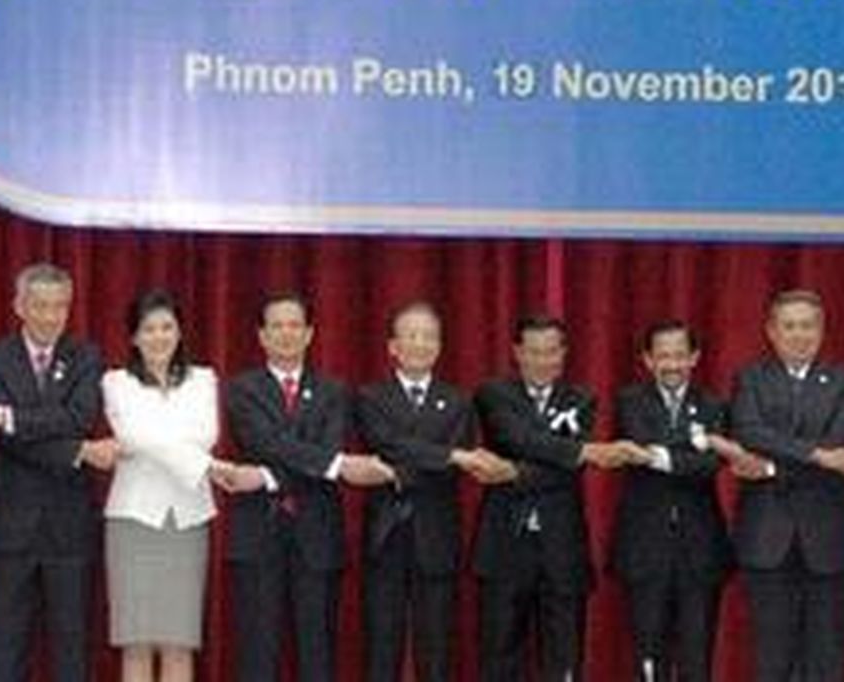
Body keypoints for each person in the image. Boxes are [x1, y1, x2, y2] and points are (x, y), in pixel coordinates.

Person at [224, 291, 397, 682]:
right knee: (257, 654)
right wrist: (335, 466)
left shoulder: (334, 391)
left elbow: (320, 447)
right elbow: (262, 442)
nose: (286, 333)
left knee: (317, 654)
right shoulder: (241, 388)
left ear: (310, 334)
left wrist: (268, 475)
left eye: (295, 325)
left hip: (317, 538)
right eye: (277, 326)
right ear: (261, 336)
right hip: (257, 538)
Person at [473, 313, 649, 682]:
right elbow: (515, 438)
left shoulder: (581, 398)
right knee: (499, 657)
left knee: (564, 658)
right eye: (534, 352)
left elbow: (561, 468)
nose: (543, 361)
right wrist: (583, 451)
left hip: (562, 548)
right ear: (517, 353)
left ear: (564, 354)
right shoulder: (493, 394)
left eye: (551, 352)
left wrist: (516, 471)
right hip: (504, 547)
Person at [728, 289, 844, 682]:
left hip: (829, 541)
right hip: (767, 539)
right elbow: (750, 432)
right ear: (771, 331)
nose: (800, 335)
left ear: (822, 330)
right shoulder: (750, 378)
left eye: (808, 326)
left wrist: (768, 469)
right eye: (790, 326)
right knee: (772, 658)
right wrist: (816, 456)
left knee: (828, 657)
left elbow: (840, 443)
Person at [356, 301, 516, 682]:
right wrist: (452, 455)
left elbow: (430, 466)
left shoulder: (460, 401)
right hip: (385, 537)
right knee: (382, 648)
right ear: (392, 346)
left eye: (429, 336)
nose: (420, 343)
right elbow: (386, 443)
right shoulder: (370, 396)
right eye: (410, 335)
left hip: (438, 537)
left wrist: (406, 470)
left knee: (436, 650)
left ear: (440, 346)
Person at [0, 262, 116, 682]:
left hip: (70, 527)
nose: (51, 317)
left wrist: (9, 415)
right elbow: (12, 442)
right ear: (19, 306)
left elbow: (79, 416)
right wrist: (80, 451)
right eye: (40, 306)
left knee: (71, 650)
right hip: (10, 528)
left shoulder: (86, 355)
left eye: (60, 307)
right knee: (5, 650)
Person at [102, 289, 250, 682]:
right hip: (134, 520)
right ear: (133, 337)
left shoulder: (203, 379)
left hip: (187, 520)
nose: (159, 336)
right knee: (136, 642)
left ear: (180, 332)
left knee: (179, 642)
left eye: (167, 327)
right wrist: (208, 465)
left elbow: (205, 433)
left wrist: (187, 450)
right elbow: (134, 436)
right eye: (148, 328)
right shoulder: (116, 382)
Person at [610, 320, 734, 682]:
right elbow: (639, 439)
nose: (672, 364)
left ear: (694, 358)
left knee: (697, 658)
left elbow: (710, 465)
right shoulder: (629, 400)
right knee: (649, 660)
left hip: (701, 551)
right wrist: (695, 443)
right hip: (643, 550)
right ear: (648, 360)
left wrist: (657, 456)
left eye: (680, 355)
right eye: (663, 356)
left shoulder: (714, 404)